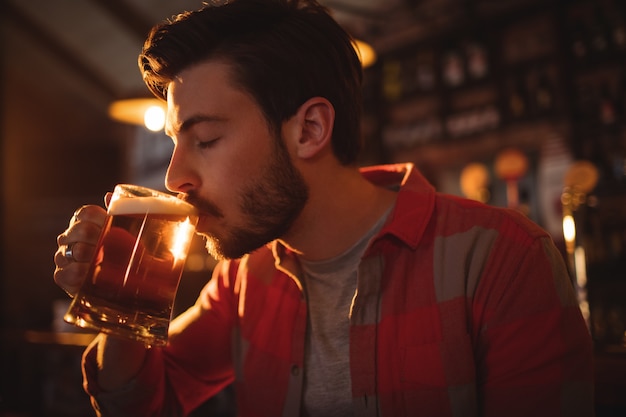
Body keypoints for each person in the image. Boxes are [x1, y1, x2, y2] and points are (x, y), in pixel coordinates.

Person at [53, 0, 594, 416]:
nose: (174, 177)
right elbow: (147, 400)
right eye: (176, 140)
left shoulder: (500, 257)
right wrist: (122, 300)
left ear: (309, 130)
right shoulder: (247, 276)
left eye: (207, 139)